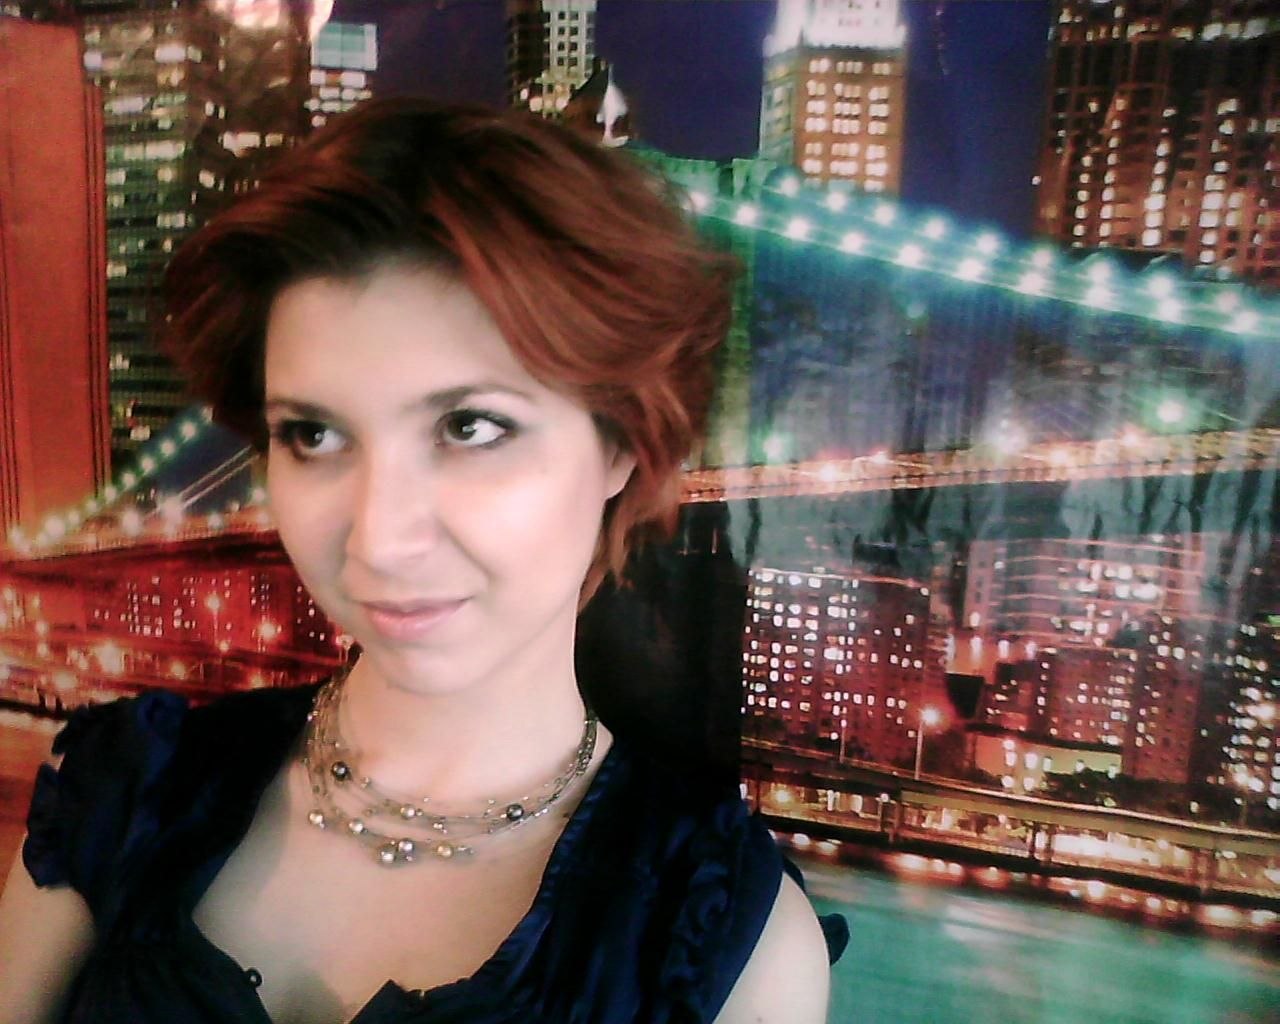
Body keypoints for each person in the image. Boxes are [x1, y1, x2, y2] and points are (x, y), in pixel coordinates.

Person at [0, 98, 843, 1023]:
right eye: (313, 434)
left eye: (470, 427)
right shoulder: (125, 790)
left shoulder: (729, 949)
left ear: (620, 444)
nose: (378, 539)